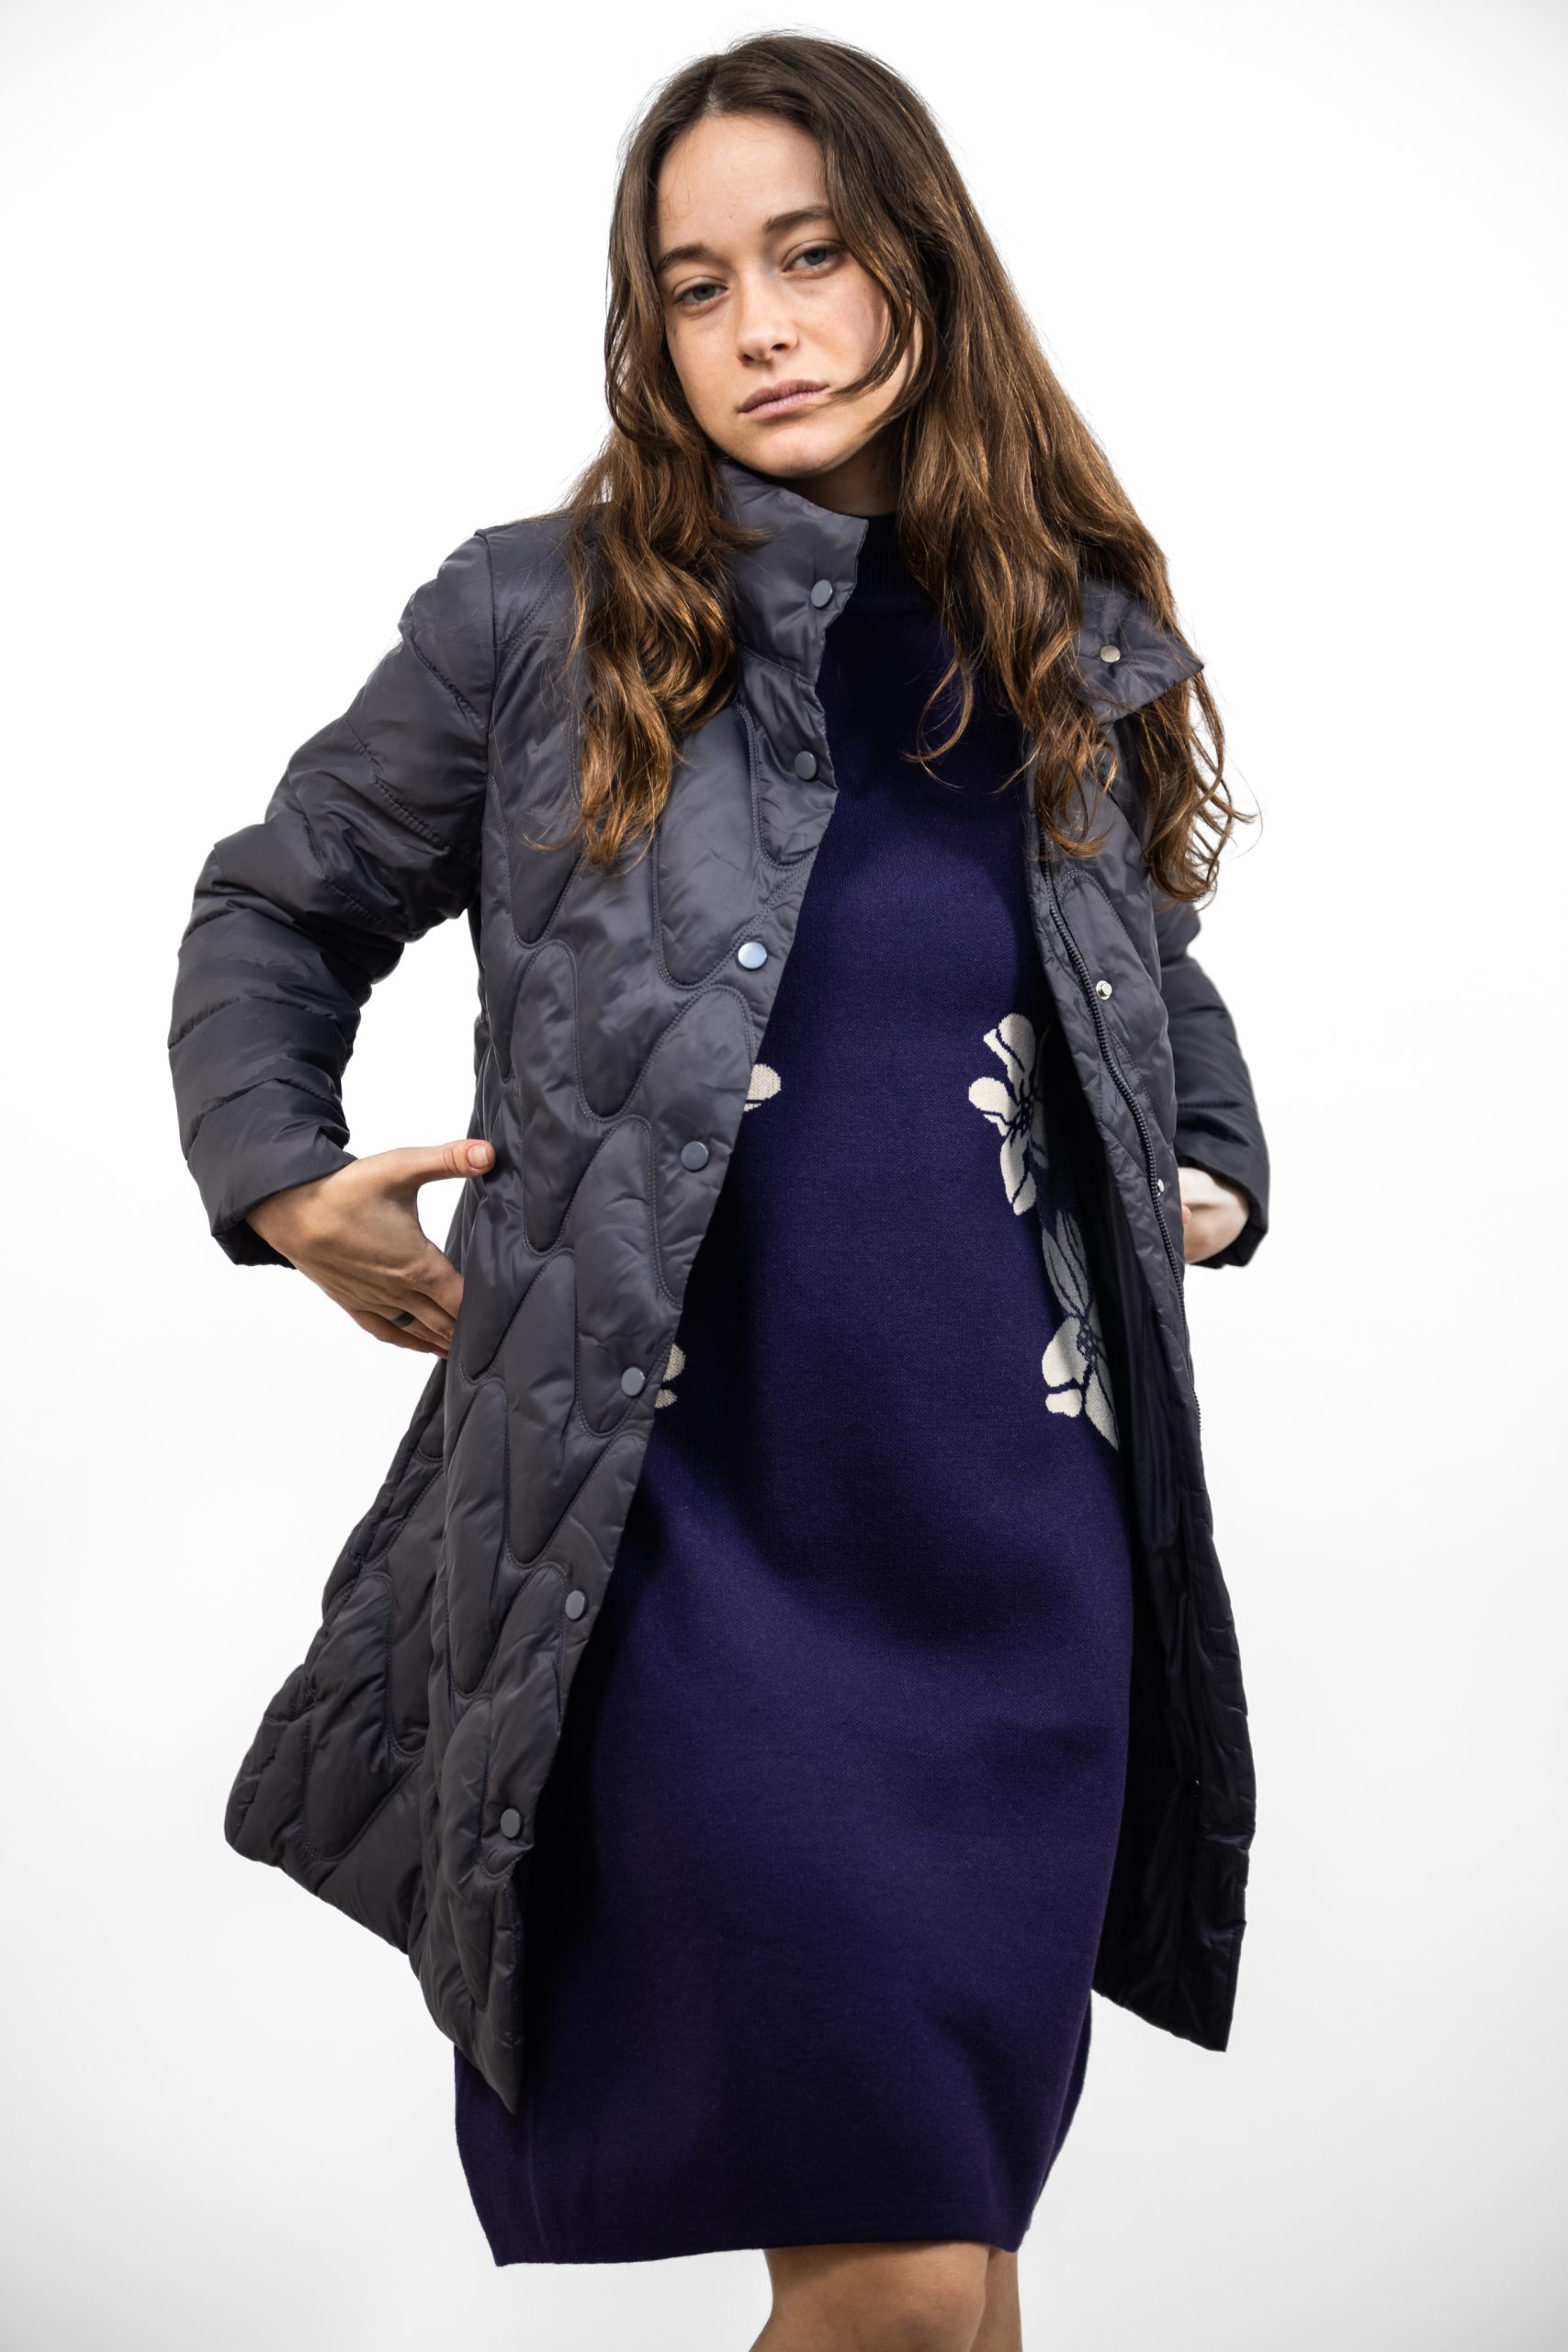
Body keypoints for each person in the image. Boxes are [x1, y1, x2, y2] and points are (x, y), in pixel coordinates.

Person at [167, 31, 1269, 2350]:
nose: (756, 326)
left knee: (955, 2275)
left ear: (918, 271)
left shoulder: (1052, 633)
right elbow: (273, 907)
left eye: (809, 256)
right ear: (644, 327)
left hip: (1013, 1565)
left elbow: (1139, 957)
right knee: (894, 2277)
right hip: (682, 1562)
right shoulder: (534, 616)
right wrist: (282, 1180)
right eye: (692, 285)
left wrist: (1205, 1166)